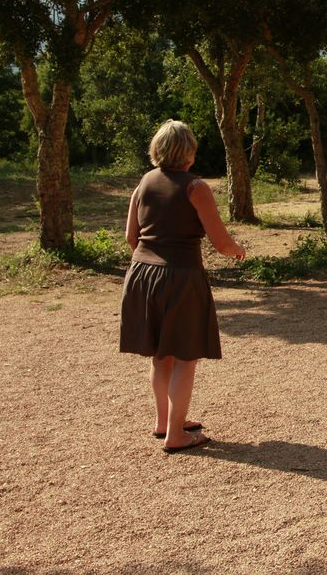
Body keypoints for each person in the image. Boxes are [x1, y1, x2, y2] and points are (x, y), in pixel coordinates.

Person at [119, 120, 245, 453]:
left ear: (157, 148)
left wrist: (149, 263)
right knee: (186, 357)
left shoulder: (143, 183)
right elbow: (219, 241)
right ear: (188, 151)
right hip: (181, 276)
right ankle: (176, 434)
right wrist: (237, 250)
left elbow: (131, 237)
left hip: (142, 273)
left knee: (162, 356)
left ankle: (166, 422)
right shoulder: (195, 187)